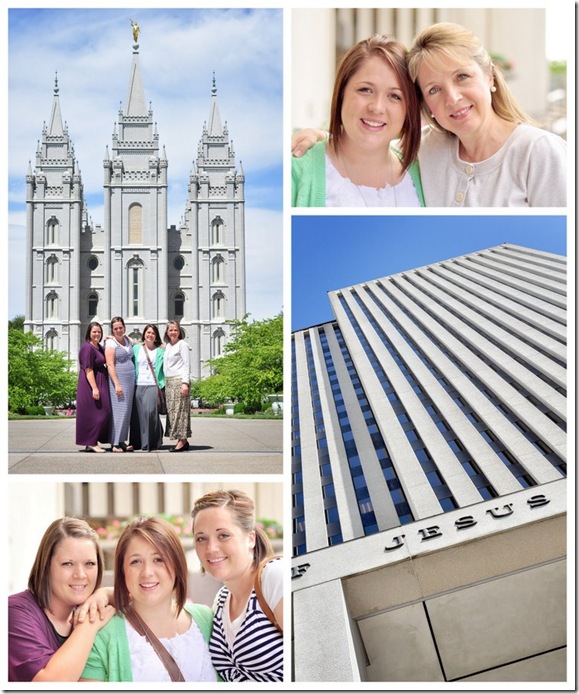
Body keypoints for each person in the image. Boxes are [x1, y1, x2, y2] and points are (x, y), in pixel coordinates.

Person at [293, 23, 567, 207]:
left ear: (490, 77)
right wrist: (324, 138)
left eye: (462, 77)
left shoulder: (540, 153)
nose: (453, 98)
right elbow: (367, 146)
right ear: (424, 104)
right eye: (434, 89)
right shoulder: (426, 149)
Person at [292, 34, 424, 207]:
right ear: (341, 93)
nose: (377, 107)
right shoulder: (296, 171)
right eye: (365, 90)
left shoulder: (424, 171)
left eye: (394, 96)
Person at [80, 517, 217, 682]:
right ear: (122, 571)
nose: (147, 572)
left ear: (178, 564)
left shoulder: (208, 620)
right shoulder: (103, 636)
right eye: (135, 562)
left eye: (158, 559)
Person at [191, 489, 284, 682]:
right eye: (201, 538)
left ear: (250, 539)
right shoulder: (222, 599)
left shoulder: (274, 577)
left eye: (223, 535)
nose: (211, 548)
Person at [8, 517, 115, 681]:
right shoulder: (14, 612)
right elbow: (49, 685)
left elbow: (142, 600)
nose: (80, 574)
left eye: (89, 564)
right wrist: (89, 624)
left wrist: (105, 593)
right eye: (67, 564)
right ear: (46, 566)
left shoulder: (85, 608)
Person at [75, 322, 111, 453]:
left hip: (100, 381)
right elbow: (88, 369)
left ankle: (91, 441)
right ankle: (91, 442)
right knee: (96, 413)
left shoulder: (98, 347)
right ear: (89, 333)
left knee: (102, 412)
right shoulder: (87, 348)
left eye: (99, 332)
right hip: (91, 384)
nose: (97, 334)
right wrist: (95, 388)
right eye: (94, 332)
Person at [130, 324, 165, 452]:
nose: (150, 335)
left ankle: (150, 443)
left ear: (156, 336)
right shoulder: (136, 348)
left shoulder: (160, 351)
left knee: (149, 412)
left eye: (153, 333)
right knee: (138, 415)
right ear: (144, 334)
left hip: (152, 385)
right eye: (148, 332)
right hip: (138, 384)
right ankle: (137, 442)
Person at [105, 317, 135, 453]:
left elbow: (138, 344)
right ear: (112, 329)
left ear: (124, 328)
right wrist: (117, 384)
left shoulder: (127, 340)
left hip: (130, 380)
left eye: (120, 327)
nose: (118, 330)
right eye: (116, 328)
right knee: (119, 411)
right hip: (118, 380)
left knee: (126, 411)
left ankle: (122, 440)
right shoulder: (111, 343)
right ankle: (114, 443)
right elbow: (110, 364)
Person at [163, 320, 191, 452]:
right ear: (167, 332)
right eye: (170, 330)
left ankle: (182, 440)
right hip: (169, 383)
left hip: (180, 382)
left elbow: (186, 364)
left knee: (180, 412)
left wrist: (185, 383)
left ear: (179, 332)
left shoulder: (182, 345)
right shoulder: (168, 346)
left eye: (175, 330)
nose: (173, 332)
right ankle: (183, 440)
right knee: (173, 413)